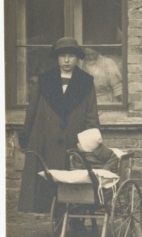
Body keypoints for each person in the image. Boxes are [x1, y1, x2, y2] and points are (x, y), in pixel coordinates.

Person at [18, 37, 100, 213]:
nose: (67, 60)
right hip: (46, 140)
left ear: (77, 58)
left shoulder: (86, 81)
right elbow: (31, 111)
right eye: (63, 56)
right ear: (57, 58)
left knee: (75, 183)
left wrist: (90, 141)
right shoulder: (44, 80)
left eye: (71, 56)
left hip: (74, 140)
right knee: (51, 183)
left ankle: (76, 221)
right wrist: (25, 137)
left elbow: (91, 114)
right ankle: (57, 217)